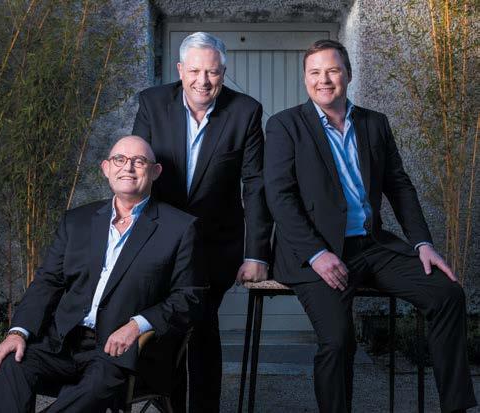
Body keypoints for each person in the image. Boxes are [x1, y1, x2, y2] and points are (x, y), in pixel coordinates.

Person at [263, 39, 476, 413]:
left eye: (332, 70)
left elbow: (400, 186)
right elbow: (280, 198)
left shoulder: (374, 123)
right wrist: (317, 253)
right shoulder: (285, 125)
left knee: (447, 295)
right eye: (315, 72)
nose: (324, 79)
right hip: (316, 252)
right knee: (338, 340)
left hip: (371, 245)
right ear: (305, 79)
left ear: (348, 74)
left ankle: (456, 407)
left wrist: (422, 243)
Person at [0, 136, 204, 412]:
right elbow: (47, 281)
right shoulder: (77, 221)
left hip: (121, 352)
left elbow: (189, 297)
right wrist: (17, 332)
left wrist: (137, 325)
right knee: (11, 363)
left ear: (155, 171)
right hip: (62, 342)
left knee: (96, 387)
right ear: (106, 168)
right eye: (119, 160)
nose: (128, 167)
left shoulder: (179, 228)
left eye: (139, 161)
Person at [132, 31, 272, 412]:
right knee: (170, 328)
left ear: (223, 73)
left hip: (216, 244)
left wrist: (256, 253)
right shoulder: (152, 104)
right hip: (160, 241)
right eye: (194, 71)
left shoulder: (245, 112)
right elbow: (136, 170)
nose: (203, 81)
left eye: (212, 72)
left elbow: (255, 185)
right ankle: (172, 405)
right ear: (180, 70)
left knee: (202, 323)